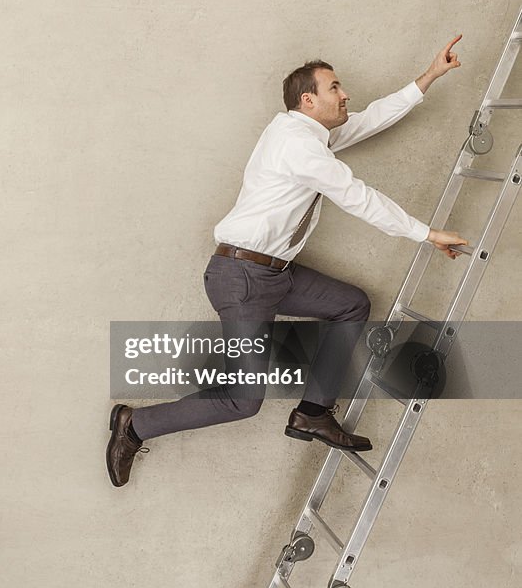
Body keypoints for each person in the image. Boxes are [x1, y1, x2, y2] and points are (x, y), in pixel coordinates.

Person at [106, 36, 468, 487]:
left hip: (275, 274)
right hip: (242, 279)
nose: (346, 95)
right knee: (244, 400)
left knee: (352, 305)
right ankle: (134, 424)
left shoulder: (311, 135)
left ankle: (313, 413)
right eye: (335, 88)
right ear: (308, 99)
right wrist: (427, 234)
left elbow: (370, 119)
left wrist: (430, 75)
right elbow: (356, 196)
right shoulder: (297, 144)